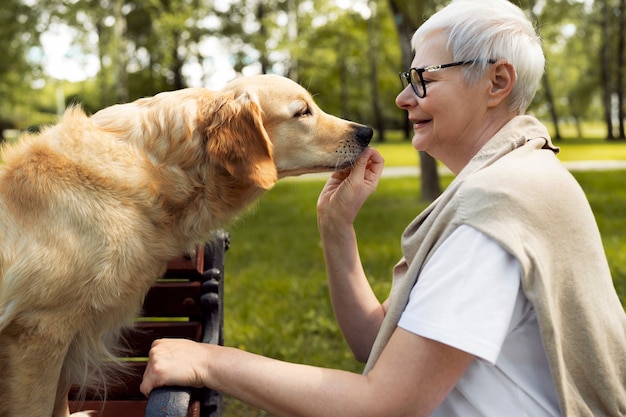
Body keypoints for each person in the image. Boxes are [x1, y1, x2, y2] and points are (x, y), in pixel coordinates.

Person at [140, 0, 626, 415]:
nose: (402, 98)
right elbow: (375, 342)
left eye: (422, 79)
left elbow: (387, 405)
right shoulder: (519, 175)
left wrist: (209, 361)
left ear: (497, 82)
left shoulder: (499, 207)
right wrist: (336, 227)